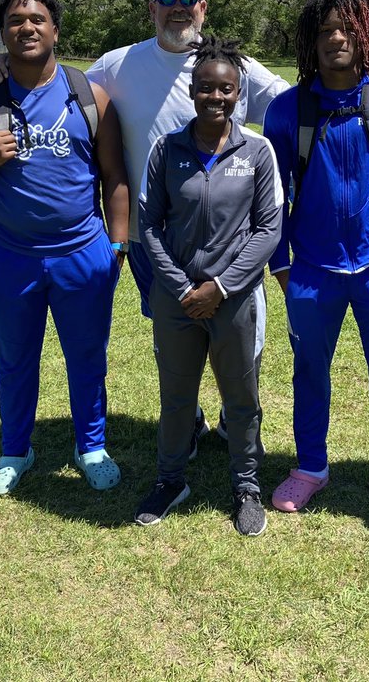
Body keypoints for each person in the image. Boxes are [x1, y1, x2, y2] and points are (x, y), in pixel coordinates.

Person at [0, 0, 291, 446]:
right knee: (170, 329)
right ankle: (188, 416)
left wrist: (366, 73)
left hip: (229, 235)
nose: (177, 8)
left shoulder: (233, 65)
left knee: (241, 330)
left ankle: (239, 417)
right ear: (151, 8)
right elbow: (54, 89)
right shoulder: (117, 64)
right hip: (154, 235)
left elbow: (294, 103)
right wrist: (4, 67)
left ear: (202, 8)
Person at [0, 0, 129, 494]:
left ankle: (91, 445)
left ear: (55, 29)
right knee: (13, 357)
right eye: (15, 21)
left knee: (88, 355)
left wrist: (116, 246)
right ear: (2, 33)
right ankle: (15, 449)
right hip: (8, 257)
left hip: (82, 253)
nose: (27, 27)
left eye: (37, 19)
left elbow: (114, 176)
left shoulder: (90, 96)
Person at [262, 0, 369, 525]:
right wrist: (282, 263)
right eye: (324, 29)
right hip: (310, 268)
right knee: (310, 370)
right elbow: (272, 196)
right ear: (310, 40)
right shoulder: (288, 111)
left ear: (366, 34)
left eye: (346, 27)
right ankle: (310, 467)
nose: (336, 37)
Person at [134, 35, 282, 535]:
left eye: (226, 89)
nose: (215, 97)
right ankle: (170, 478)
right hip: (176, 301)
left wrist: (220, 286)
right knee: (176, 396)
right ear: (192, 91)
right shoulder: (166, 148)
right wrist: (180, 288)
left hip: (235, 300)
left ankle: (246, 486)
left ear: (238, 94)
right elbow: (149, 225)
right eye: (205, 87)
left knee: (241, 396)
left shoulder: (257, 151)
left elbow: (268, 230)